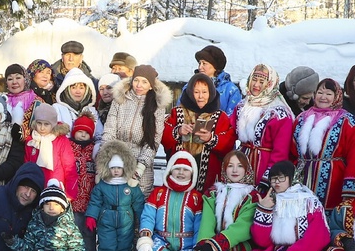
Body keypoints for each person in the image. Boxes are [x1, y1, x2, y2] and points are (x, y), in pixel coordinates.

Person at [184, 150, 257, 251]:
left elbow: (243, 227)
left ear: (246, 169)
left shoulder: (251, 196)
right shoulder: (214, 193)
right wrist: (205, 244)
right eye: (230, 166)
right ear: (224, 169)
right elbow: (207, 222)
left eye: (239, 166)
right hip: (214, 241)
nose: (235, 170)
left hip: (237, 244)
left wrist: (217, 245)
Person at [134, 152, 205, 251]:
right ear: (170, 170)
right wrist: (145, 240)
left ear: (192, 174)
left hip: (186, 245)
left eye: (186, 170)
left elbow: (200, 227)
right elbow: (148, 216)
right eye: (177, 168)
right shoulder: (158, 193)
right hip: (161, 240)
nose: (181, 173)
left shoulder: (197, 198)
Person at [290, 78, 355, 209]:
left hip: (333, 182)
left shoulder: (348, 121)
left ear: (337, 97)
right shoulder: (301, 118)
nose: (323, 97)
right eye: (320, 92)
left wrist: (350, 187)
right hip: (301, 179)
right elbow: (291, 152)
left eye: (329, 94)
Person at [103, 65, 172, 195]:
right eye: (136, 80)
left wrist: (140, 168)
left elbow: (154, 140)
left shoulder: (157, 106)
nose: (139, 85)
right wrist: (107, 157)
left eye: (144, 82)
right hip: (118, 157)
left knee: (138, 201)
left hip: (141, 161)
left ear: (151, 85)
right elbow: (110, 128)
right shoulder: (121, 98)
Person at [162, 73, 234, 194]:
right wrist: (178, 131)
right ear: (190, 93)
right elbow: (162, 135)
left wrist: (211, 139)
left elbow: (229, 142)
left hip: (208, 180)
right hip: (179, 175)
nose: (201, 96)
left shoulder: (220, 116)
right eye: (196, 92)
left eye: (205, 92)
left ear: (211, 93)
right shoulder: (177, 113)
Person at [86, 141, 146, 251]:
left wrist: (141, 217)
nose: (116, 171)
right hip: (106, 217)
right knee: (107, 242)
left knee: (125, 243)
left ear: (124, 168)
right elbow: (95, 201)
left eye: (119, 168)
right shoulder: (102, 185)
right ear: (108, 169)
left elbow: (138, 201)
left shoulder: (130, 185)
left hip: (126, 218)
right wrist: (91, 216)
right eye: (113, 168)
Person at [229, 64, 293, 180]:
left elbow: (280, 151)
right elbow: (229, 134)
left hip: (264, 167)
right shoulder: (241, 107)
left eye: (262, 81)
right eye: (254, 79)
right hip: (241, 165)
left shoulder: (279, 114)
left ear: (270, 84)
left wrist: (270, 176)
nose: (256, 85)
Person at [25, 103, 77, 198]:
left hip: (55, 187)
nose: (42, 128)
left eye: (46, 124)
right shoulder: (31, 140)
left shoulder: (61, 140)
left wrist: (69, 193)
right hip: (35, 186)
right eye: (39, 123)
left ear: (53, 124)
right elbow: (26, 165)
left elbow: (69, 167)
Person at [69, 114, 99, 251]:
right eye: (80, 131)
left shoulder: (93, 150)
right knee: (74, 228)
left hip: (89, 198)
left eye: (86, 132)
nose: (83, 134)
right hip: (73, 198)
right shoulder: (68, 147)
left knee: (89, 229)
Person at [54, 68, 103, 137]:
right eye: (74, 87)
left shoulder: (92, 111)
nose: (78, 91)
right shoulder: (57, 108)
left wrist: (96, 147)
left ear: (86, 90)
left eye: (81, 88)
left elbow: (99, 135)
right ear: (67, 89)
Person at [195, 44, 243, 114]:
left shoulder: (231, 90)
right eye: (199, 63)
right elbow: (180, 112)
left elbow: (233, 118)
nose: (200, 67)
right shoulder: (190, 87)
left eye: (204, 63)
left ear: (215, 66)